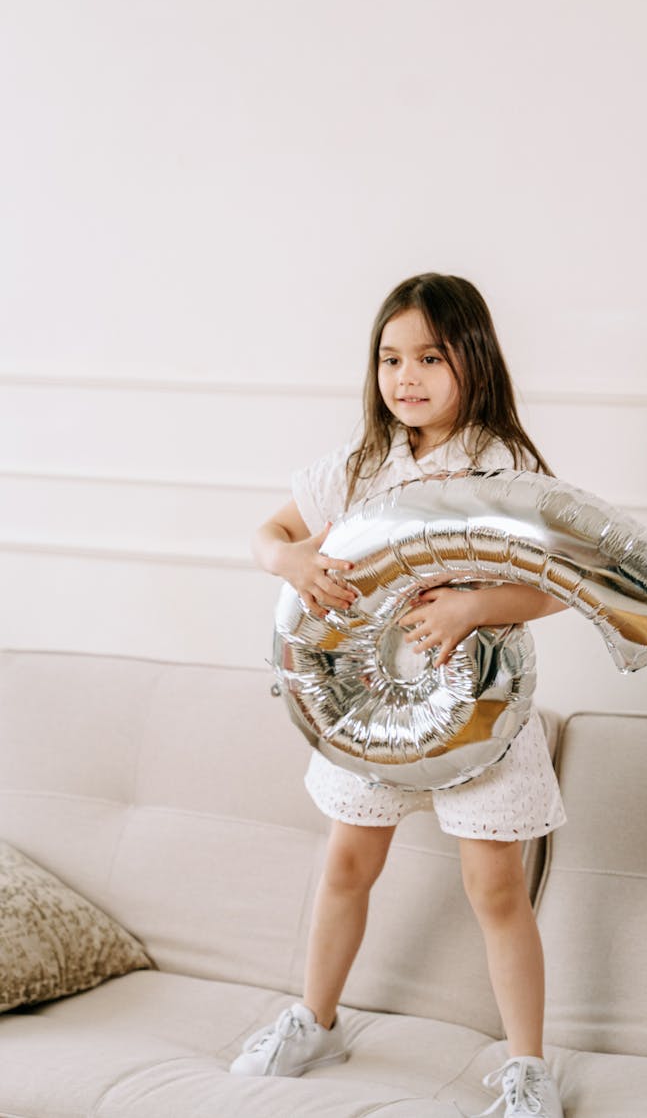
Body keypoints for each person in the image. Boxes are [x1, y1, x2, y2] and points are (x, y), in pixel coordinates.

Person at [231, 273, 567, 1118]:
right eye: (389, 358)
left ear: (474, 361)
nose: (405, 376)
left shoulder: (504, 465)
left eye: (429, 356)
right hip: (372, 710)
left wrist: (474, 605)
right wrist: (293, 561)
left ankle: (528, 1067)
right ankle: (315, 1017)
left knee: (494, 885)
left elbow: (559, 584)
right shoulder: (360, 466)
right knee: (348, 862)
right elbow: (268, 535)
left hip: (478, 712)